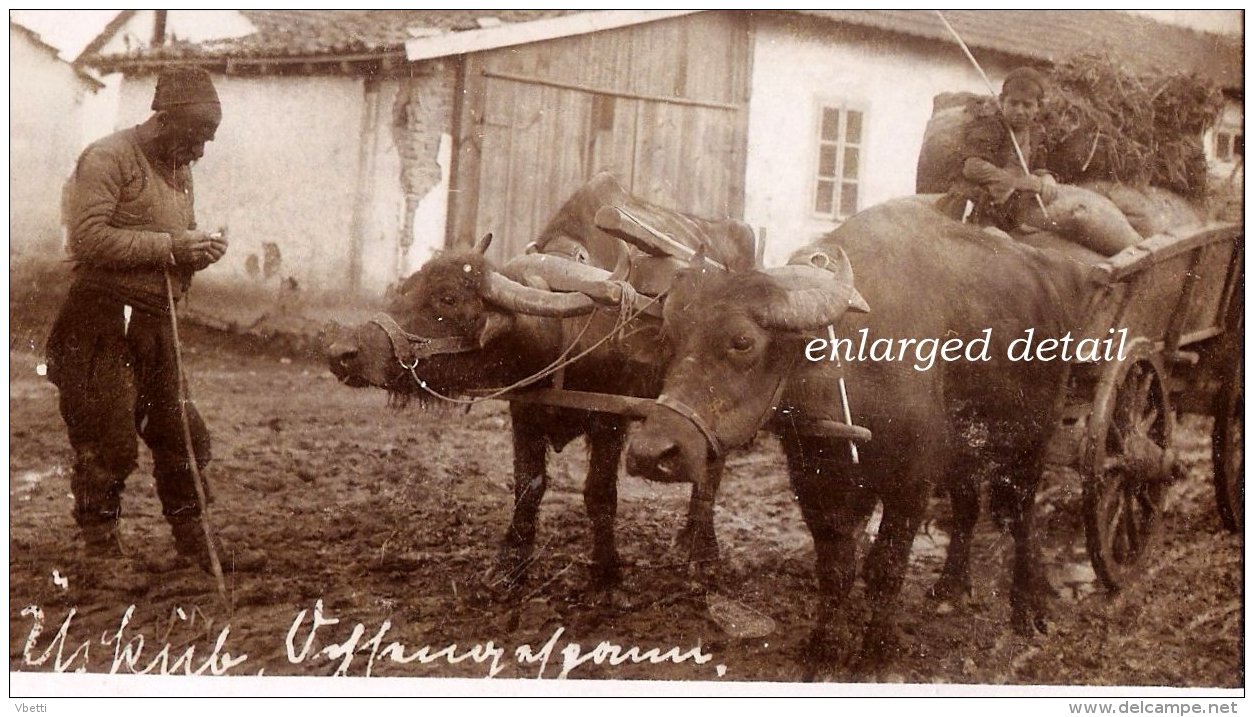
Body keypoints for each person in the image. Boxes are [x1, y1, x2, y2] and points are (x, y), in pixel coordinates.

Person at [45, 67, 261, 578]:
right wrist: (171, 247)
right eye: (196, 137)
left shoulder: (178, 166)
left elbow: (174, 241)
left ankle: (195, 542)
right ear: (164, 122)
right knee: (108, 436)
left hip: (153, 322)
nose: (201, 152)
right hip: (100, 321)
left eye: (208, 140)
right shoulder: (108, 158)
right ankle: (99, 553)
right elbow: (88, 239)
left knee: (180, 430)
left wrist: (196, 252)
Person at [939, 66, 1060, 231]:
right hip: (976, 201)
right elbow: (973, 166)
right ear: (1002, 101)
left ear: (1038, 107)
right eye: (1013, 103)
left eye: (1027, 105)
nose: (1019, 111)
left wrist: (1046, 178)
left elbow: (1038, 166)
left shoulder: (1036, 132)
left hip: (1011, 205)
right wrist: (1017, 182)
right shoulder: (991, 126)